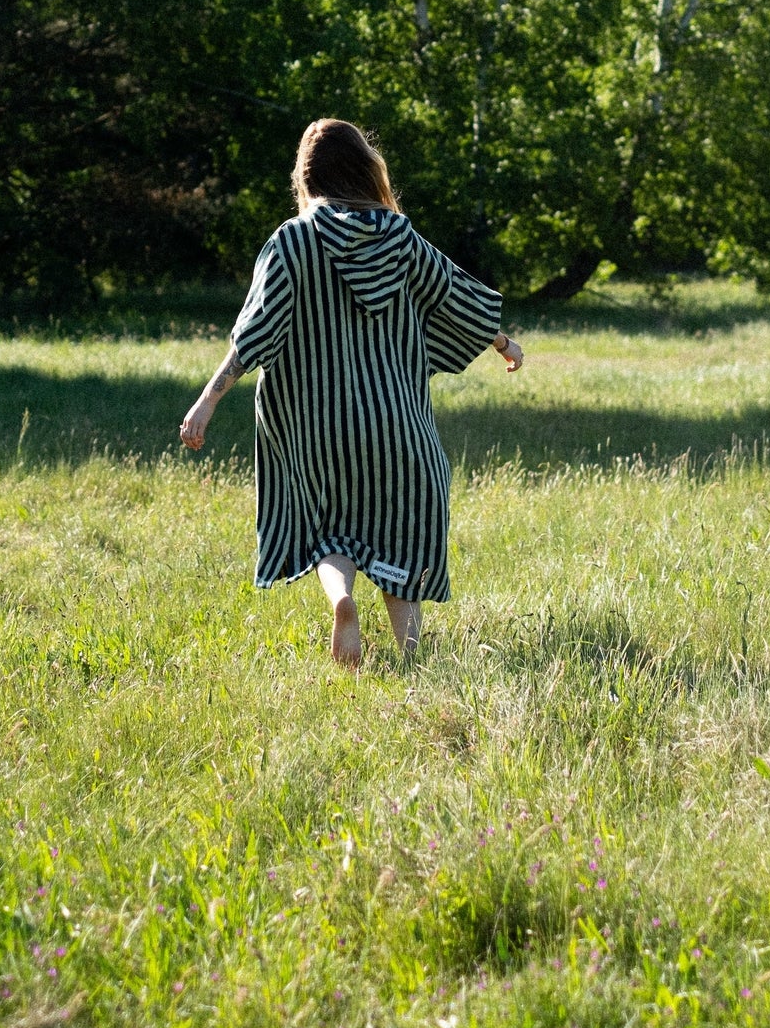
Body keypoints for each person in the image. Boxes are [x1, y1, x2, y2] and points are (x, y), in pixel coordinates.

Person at [180, 118, 523, 665]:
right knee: (404, 533)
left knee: (324, 527)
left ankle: (343, 601)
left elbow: (255, 331)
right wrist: (503, 342)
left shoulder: (291, 241)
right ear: (364, 170)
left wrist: (207, 400)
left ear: (307, 176)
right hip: (397, 424)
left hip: (315, 427)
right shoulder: (400, 238)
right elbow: (454, 293)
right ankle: (411, 654)